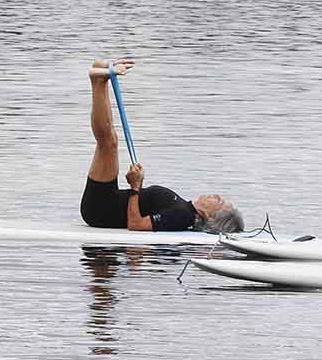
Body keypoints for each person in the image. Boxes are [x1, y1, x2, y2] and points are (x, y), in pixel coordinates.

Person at [82, 59, 244, 233]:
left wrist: (135, 187)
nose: (218, 196)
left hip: (101, 210)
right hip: (107, 203)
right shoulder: (183, 209)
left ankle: (98, 81)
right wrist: (138, 185)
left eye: (220, 202)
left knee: (108, 143)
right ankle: (101, 79)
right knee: (110, 139)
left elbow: (135, 225)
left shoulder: (182, 216)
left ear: (209, 216)